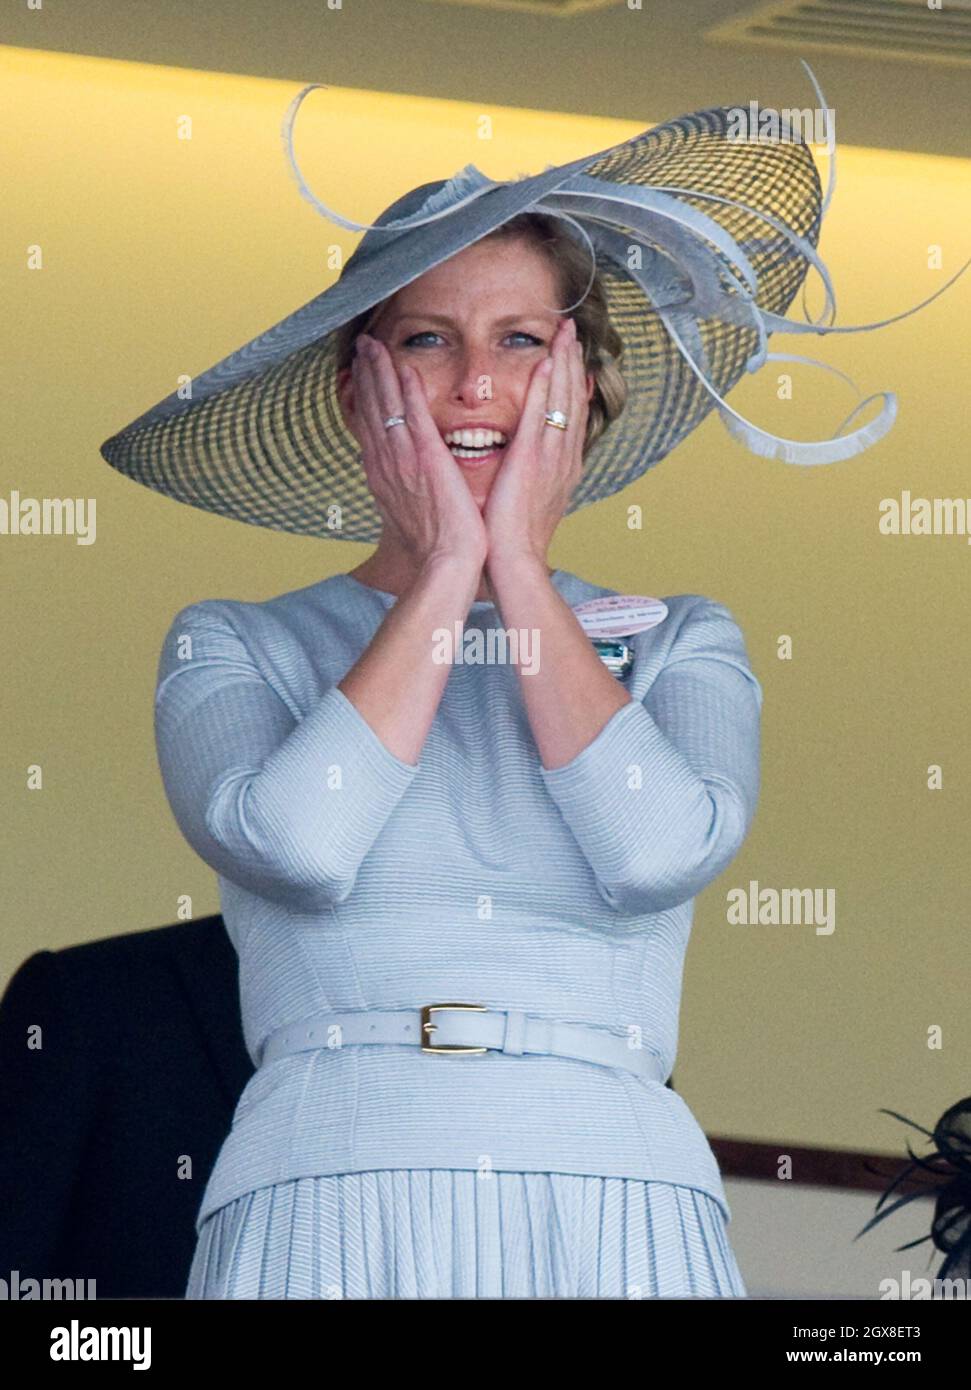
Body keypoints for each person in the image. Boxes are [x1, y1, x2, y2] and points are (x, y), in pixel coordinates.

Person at [100, 77, 964, 1299]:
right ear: (358, 388)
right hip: (325, 1181)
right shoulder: (234, 643)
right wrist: (451, 568)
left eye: (517, 342)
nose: (471, 386)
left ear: (582, 386)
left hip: (613, 1192)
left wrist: (517, 567)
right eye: (425, 340)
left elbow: (658, 849)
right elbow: (293, 842)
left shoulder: (679, 641)